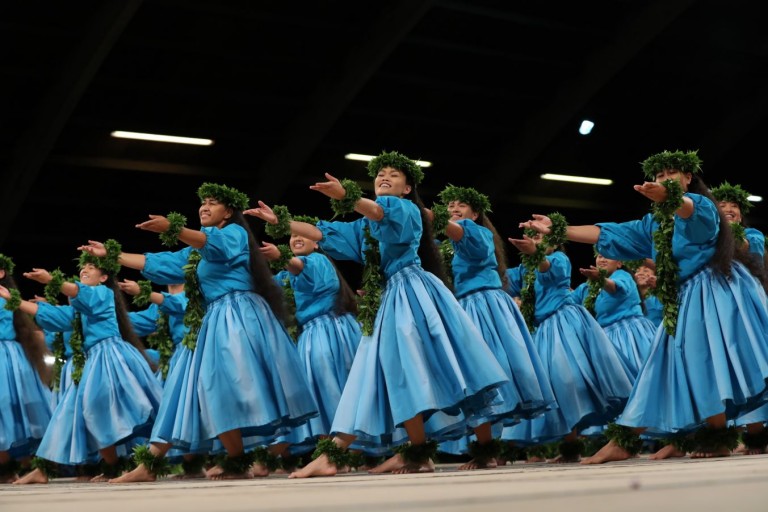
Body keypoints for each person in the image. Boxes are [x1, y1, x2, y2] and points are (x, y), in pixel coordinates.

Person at [245, 150, 509, 477]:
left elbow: (377, 211)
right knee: (395, 370)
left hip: (411, 291)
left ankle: (344, 453)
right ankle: (413, 451)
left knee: (404, 367)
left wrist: (346, 195)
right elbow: (324, 231)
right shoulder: (366, 225)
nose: (384, 176)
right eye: (379, 173)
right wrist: (280, 222)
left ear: (408, 188)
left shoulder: (403, 208)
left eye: (393, 175)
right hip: (391, 297)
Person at [520, 150, 768, 463]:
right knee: (673, 364)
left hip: (714, 289)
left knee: (704, 362)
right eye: (659, 176)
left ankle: (683, 437)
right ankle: (642, 438)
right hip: (686, 297)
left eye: (671, 174)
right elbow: (607, 232)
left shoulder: (702, 205)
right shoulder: (652, 223)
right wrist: (558, 229)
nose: (664, 180)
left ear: (688, 177)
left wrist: (672, 196)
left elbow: (692, 213)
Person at [82, 182, 318, 482]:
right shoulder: (197, 252)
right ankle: (201, 461)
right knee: (195, 389)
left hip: (239, 316)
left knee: (225, 386)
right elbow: (163, 262)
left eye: (212, 203)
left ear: (227, 212)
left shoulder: (233, 233)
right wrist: (112, 256)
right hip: (215, 320)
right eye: (202, 202)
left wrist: (173, 228)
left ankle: (241, 458)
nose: (204, 207)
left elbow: (212, 245)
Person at [7, 245, 163, 484]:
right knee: (75, 414)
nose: (84, 270)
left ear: (103, 277)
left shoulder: (102, 293)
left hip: (111, 357)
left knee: (102, 410)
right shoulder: (79, 310)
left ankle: (147, 461)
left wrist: (50, 280)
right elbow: (52, 315)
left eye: (91, 267)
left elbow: (75, 291)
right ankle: (107, 466)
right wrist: (13, 300)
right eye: (83, 267)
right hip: (92, 361)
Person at [432, 184, 556, 470]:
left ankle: (490, 449)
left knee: (488, 375)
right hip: (463, 308)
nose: (453, 210)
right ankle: (488, 447)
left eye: (460, 206)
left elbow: (443, 226)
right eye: (449, 206)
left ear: (475, 214)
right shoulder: (449, 247)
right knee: (476, 379)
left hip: (485, 306)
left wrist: (418, 210)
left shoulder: (477, 233)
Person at [503, 229, 635, 463]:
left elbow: (547, 269)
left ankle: (625, 435)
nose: (535, 240)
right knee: (553, 389)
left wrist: (536, 253)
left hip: (564, 324)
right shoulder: (525, 269)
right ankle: (570, 448)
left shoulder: (558, 260)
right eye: (532, 236)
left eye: (541, 236)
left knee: (569, 381)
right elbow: (501, 279)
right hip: (543, 330)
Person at [257, 230, 367, 471]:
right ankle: (334, 455)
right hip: (312, 333)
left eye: (302, 235)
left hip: (328, 330)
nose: (296, 238)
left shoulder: (318, 261)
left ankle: (342, 454)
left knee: (330, 389)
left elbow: (297, 266)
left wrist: (280, 255)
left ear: (317, 243)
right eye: (291, 236)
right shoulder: (289, 272)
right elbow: (267, 284)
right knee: (320, 393)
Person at [711, 181, 768, 455]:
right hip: (716, 301)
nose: (729, 209)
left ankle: (756, 436)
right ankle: (742, 435)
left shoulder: (752, 234)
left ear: (741, 215)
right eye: (722, 206)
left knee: (751, 361)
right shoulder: (706, 235)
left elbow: (745, 247)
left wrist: (724, 229)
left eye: (734, 206)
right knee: (726, 365)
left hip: (746, 302)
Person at [0, 253, 53, 483]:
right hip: (10, 357)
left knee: (13, 411)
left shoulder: (5, 299)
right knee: (10, 413)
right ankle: (12, 469)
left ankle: (29, 468)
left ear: (1, 273)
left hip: (6, 358)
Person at [572, 251, 656, 379]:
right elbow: (567, 300)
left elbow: (614, 287)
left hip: (629, 334)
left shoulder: (623, 275)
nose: (602, 259)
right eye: (599, 256)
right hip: (606, 339)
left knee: (642, 378)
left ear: (619, 263)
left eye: (608, 256)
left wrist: (601, 279)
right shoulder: (587, 288)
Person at [631, 260, 663, 327]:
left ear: (655, 275)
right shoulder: (631, 299)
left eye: (646, 271)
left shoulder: (659, 297)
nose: (640, 273)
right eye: (637, 270)